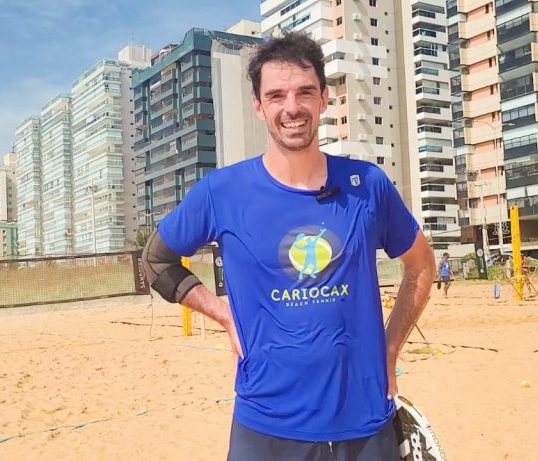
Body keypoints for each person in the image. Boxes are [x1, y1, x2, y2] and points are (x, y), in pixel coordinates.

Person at [141, 32, 436, 461]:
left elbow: (422, 265)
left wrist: (390, 347)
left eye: (304, 92)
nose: (292, 107)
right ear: (259, 106)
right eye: (276, 95)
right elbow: (156, 260)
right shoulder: (222, 192)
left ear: (324, 98)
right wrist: (223, 313)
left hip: (364, 420)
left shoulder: (367, 186)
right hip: (266, 425)